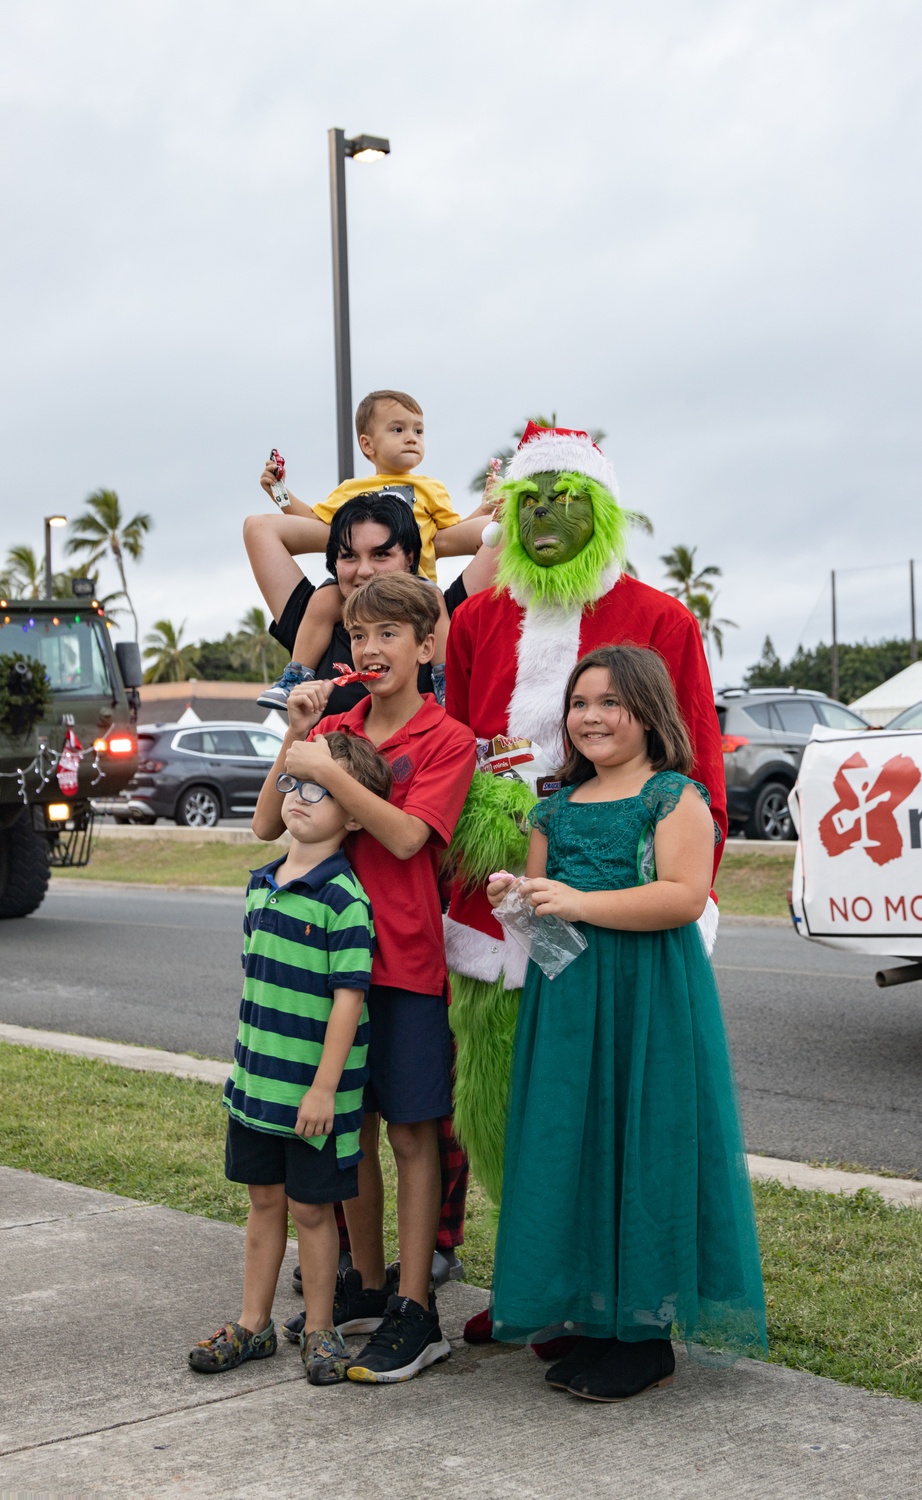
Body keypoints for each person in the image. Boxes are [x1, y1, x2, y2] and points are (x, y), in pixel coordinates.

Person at [442, 423, 727, 1346]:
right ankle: (540, 1280)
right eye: (530, 500)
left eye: (568, 497)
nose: (548, 515)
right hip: (501, 905)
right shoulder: (481, 621)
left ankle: (618, 1305)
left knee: (615, 1113)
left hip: (621, 912)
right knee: (512, 1111)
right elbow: (454, 753)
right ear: (507, 513)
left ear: (603, 510)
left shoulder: (662, 620)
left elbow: (701, 772)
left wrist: (695, 891)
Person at [486, 646, 767, 1401]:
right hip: (570, 1001)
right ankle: (593, 1319)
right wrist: (519, 901)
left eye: (610, 702)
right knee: (575, 1148)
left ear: (647, 710)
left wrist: (576, 901)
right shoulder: (552, 808)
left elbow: (681, 896)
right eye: (580, 703)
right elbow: (548, 928)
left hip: (648, 1001)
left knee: (642, 1145)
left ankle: (644, 1338)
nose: (591, 716)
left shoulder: (673, 797)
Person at [251, 490, 477, 1304]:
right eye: (358, 633)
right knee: (351, 1133)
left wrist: (332, 770)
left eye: (389, 634)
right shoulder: (335, 718)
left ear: (425, 644)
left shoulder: (448, 736)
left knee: (414, 1136)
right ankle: (368, 1281)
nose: (371, 647)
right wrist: (296, 734)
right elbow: (265, 824)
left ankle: (415, 1306)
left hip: (404, 958)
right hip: (321, 963)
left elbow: (412, 838)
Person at [189, 731, 393, 1386]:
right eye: (295, 783)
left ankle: (323, 1327)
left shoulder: (344, 900)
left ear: (353, 811)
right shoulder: (261, 886)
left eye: (322, 789)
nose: (301, 799)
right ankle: (253, 1325)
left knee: (313, 1211)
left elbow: (348, 1002)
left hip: (314, 1099)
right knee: (264, 1204)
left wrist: (325, 1090)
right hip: (255, 1090)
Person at [246, 390, 499, 708]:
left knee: (432, 596)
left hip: (420, 585)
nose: (364, 570)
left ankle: (444, 678)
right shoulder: (319, 619)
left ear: (409, 557)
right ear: (367, 444)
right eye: (349, 555)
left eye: (382, 553)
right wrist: (281, 493)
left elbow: (470, 532)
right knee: (325, 596)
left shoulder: (440, 614)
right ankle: (296, 676)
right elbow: (285, 524)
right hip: (330, 752)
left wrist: (467, 522)